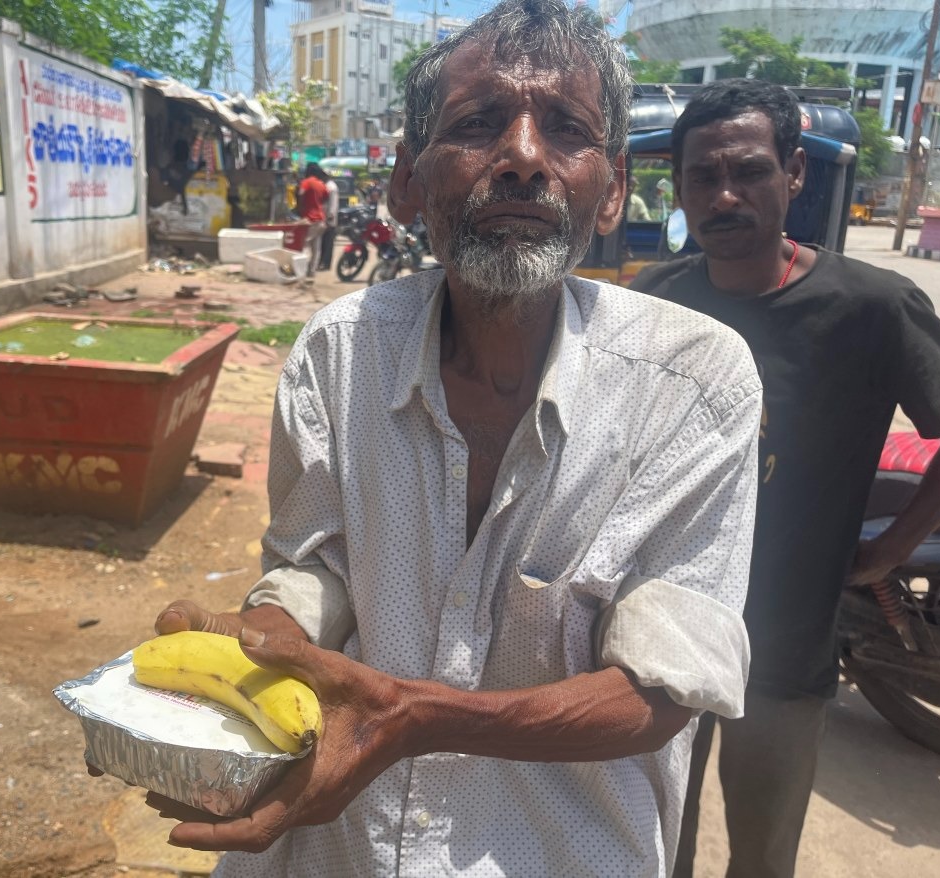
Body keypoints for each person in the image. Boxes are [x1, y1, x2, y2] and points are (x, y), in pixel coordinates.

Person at [141, 3, 762, 874]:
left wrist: (414, 718)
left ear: (615, 188)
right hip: (337, 850)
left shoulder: (694, 381)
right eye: (476, 123)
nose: (523, 155)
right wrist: (259, 643)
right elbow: (318, 568)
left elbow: (662, 690)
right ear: (407, 179)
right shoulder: (340, 349)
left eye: (567, 129)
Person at [630, 79, 940, 878]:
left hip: (787, 650)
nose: (724, 196)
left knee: (763, 858)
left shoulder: (871, 308)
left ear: (794, 172)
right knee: (649, 848)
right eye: (703, 176)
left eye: (749, 171)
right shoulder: (654, 305)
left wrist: (892, 548)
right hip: (662, 636)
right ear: (679, 187)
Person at [296, 162, 328, 280]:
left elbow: (301, 193)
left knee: (304, 245)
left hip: (310, 219)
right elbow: (325, 198)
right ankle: (312, 272)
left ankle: (301, 271)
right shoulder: (321, 184)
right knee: (316, 248)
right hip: (321, 220)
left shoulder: (306, 182)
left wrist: (300, 207)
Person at [317, 170, 339, 271]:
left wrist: (330, 217)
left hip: (329, 220)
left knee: (328, 243)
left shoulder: (331, 187)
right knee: (323, 242)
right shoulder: (326, 185)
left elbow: (333, 204)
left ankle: (326, 263)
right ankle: (322, 262)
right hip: (325, 218)